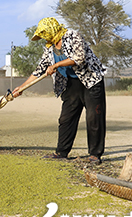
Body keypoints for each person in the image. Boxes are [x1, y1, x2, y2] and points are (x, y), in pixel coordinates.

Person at [12, 17, 107, 164]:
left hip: (90, 81)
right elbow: (40, 69)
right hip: (71, 84)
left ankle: (95, 154)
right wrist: (22, 87)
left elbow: (79, 58)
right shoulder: (49, 47)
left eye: (44, 33)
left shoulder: (72, 36)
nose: (43, 37)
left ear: (51, 29)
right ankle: (62, 152)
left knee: (94, 117)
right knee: (66, 119)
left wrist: (56, 66)